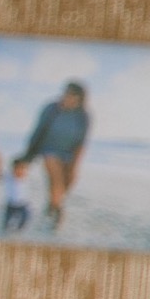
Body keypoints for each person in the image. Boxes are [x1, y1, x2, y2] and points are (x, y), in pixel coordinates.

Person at [16, 80, 92, 232]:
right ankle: (58, 213)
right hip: (48, 149)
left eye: (71, 95)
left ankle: (52, 205)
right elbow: (38, 131)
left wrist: (74, 167)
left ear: (79, 99)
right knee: (56, 179)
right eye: (65, 93)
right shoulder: (51, 108)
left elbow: (82, 143)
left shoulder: (83, 116)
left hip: (69, 153)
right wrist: (28, 155)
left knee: (65, 184)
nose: (66, 97)